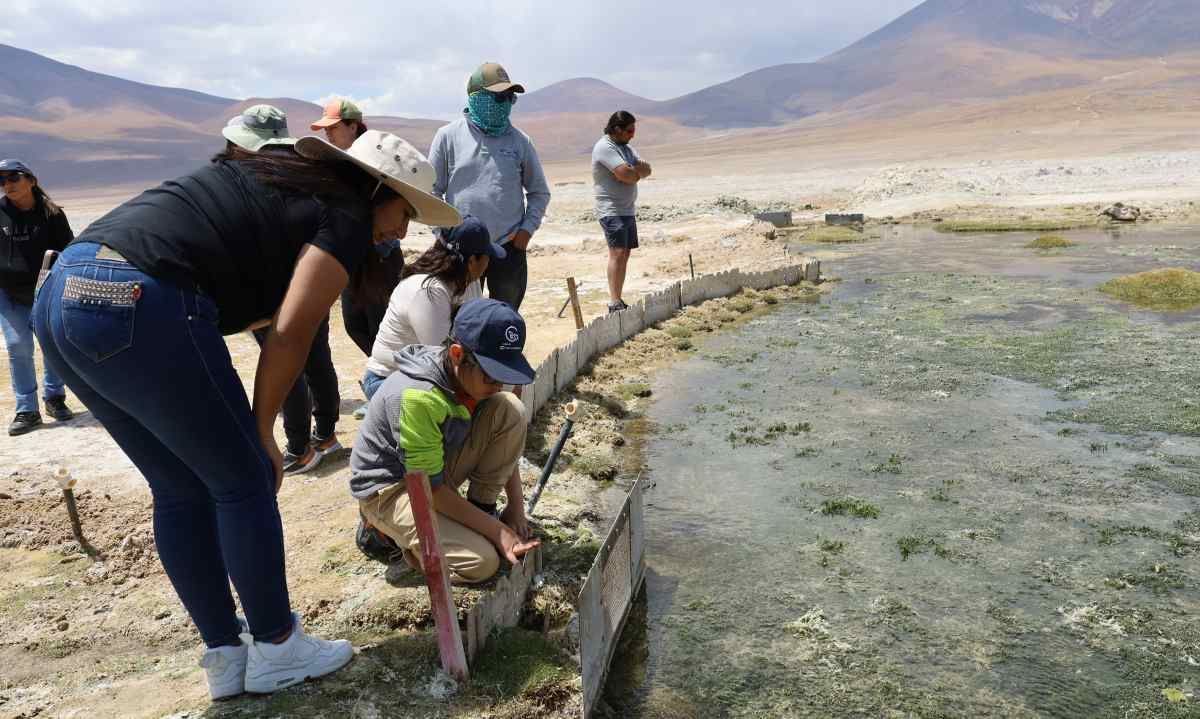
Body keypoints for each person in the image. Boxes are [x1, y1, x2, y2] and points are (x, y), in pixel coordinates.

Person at [32, 130, 460, 700]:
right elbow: (291, 335)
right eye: (404, 210)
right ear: (376, 188)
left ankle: (227, 657)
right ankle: (278, 647)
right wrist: (261, 432)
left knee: (181, 488)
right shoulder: (345, 214)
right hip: (142, 297)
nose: (402, 230)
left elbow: (259, 302)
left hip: (63, 293)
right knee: (244, 483)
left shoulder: (276, 182)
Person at [351, 298, 540, 584]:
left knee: (509, 408)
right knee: (482, 563)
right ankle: (385, 535)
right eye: (492, 376)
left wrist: (516, 507)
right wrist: (498, 532)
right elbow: (430, 489)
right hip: (394, 489)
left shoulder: (469, 381)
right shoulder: (419, 397)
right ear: (456, 354)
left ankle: (480, 510)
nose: (498, 385)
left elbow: (503, 443)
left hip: (432, 471)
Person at [223, 105, 342, 474]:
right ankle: (325, 435)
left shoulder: (252, 183)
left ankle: (299, 448)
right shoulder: (302, 177)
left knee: (284, 364)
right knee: (316, 357)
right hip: (312, 285)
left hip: (272, 292)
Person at [429, 62, 551, 310]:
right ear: (477, 97)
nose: (505, 103)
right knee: (455, 318)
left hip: (508, 249)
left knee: (504, 319)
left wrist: (525, 232)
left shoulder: (520, 141)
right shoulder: (448, 137)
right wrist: (443, 235)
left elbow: (539, 192)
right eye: (498, 97)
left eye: (510, 97)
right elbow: (431, 191)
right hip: (459, 251)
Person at [311, 98, 407, 391]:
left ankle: (390, 388)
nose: (328, 134)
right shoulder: (338, 161)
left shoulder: (377, 157)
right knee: (355, 325)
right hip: (352, 256)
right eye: (325, 129)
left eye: (334, 128)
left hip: (380, 257)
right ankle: (387, 381)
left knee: (382, 326)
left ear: (353, 126)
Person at [361, 215, 505, 400]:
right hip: (388, 380)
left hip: (426, 377)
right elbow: (443, 359)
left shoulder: (469, 282)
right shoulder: (428, 291)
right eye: (487, 257)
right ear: (471, 262)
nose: (489, 263)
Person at [0, 159, 75, 435]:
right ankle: (26, 410)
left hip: (47, 290)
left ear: (31, 180)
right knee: (18, 345)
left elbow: (67, 251)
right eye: (2, 180)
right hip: (8, 292)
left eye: (13, 177)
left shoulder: (51, 214)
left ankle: (54, 398)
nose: (7, 184)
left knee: (52, 343)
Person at [592, 111, 651, 314]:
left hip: (627, 209)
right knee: (616, 252)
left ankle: (619, 299)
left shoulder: (625, 148)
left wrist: (632, 171)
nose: (633, 134)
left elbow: (647, 170)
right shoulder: (605, 147)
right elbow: (627, 175)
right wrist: (633, 172)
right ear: (617, 129)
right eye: (629, 130)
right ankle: (614, 302)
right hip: (611, 209)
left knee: (625, 253)